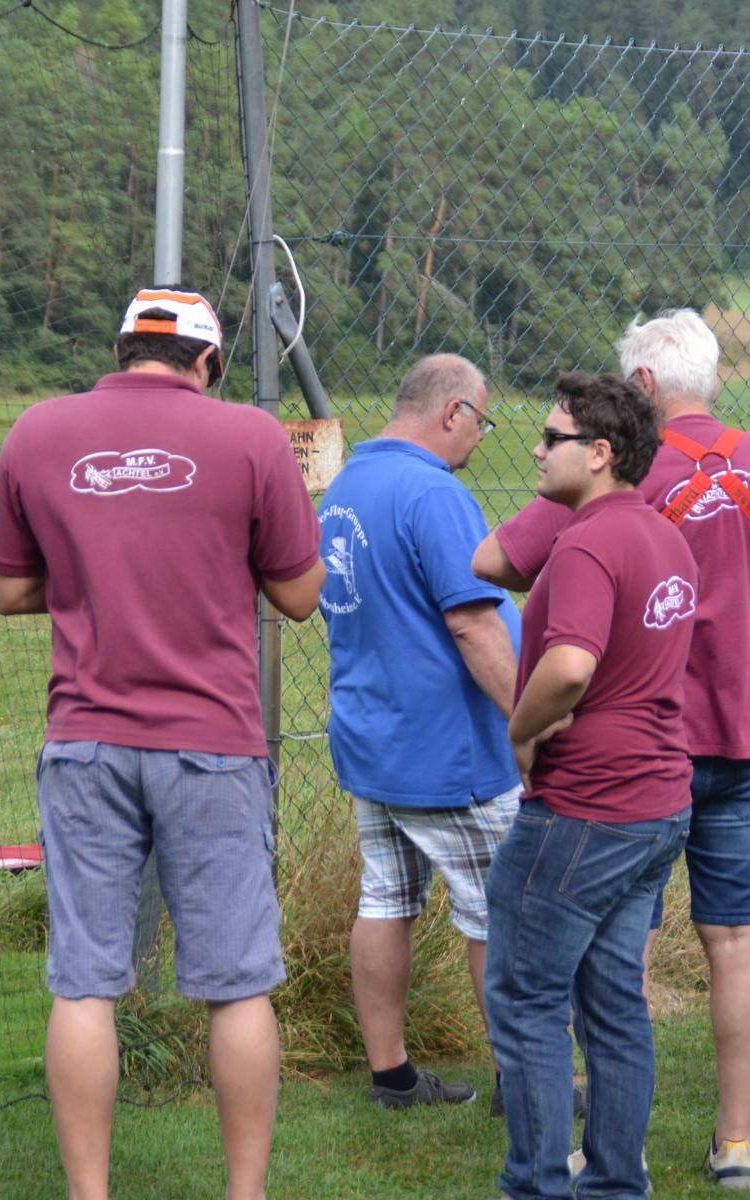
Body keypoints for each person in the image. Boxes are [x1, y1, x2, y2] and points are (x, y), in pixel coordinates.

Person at [474, 309, 750, 1190]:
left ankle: (615, 1150)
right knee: (738, 936)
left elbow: (495, 562)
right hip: (749, 734)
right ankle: (737, 1140)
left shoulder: (616, 491)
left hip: (637, 750)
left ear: (639, 390)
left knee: (618, 957)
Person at [0, 288, 324, 1200]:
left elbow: (11, 592)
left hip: (85, 741)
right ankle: (244, 1193)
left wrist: (92, 574)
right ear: (208, 361)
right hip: (213, 745)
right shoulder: (251, 437)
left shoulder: (36, 432)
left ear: (121, 347)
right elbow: (300, 595)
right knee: (237, 983)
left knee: (84, 982)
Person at [485, 371, 698, 1200]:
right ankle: (614, 1183)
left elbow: (571, 666)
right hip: (657, 803)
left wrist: (520, 728)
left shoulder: (583, 544)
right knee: (614, 1005)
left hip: (585, 807)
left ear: (600, 453)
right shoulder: (664, 536)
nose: (537, 451)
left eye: (552, 438)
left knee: (528, 1001)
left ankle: (536, 1186)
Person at [316, 354, 522, 1111]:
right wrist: (530, 721)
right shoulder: (433, 493)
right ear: (453, 412)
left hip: (371, 736)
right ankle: (520, 1081)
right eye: (482, 423)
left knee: (386, 898)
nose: (479, 439)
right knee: (502, 911)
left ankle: (392, 1077)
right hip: (448, 752)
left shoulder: (347, 484)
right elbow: (473, 624)